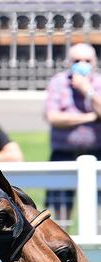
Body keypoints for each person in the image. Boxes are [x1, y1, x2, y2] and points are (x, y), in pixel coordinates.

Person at [44, 43, 101, 223]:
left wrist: (87, 90)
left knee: (98, 211)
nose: (82, 64)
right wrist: (91, 117)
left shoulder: (98, 83)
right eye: (77, 60)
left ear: (95, 62)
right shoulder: (58, 82)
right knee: (60, 211)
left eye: (87, 60)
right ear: (69, 63)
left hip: (97, 153)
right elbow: (52, 116)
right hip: (63, 154)